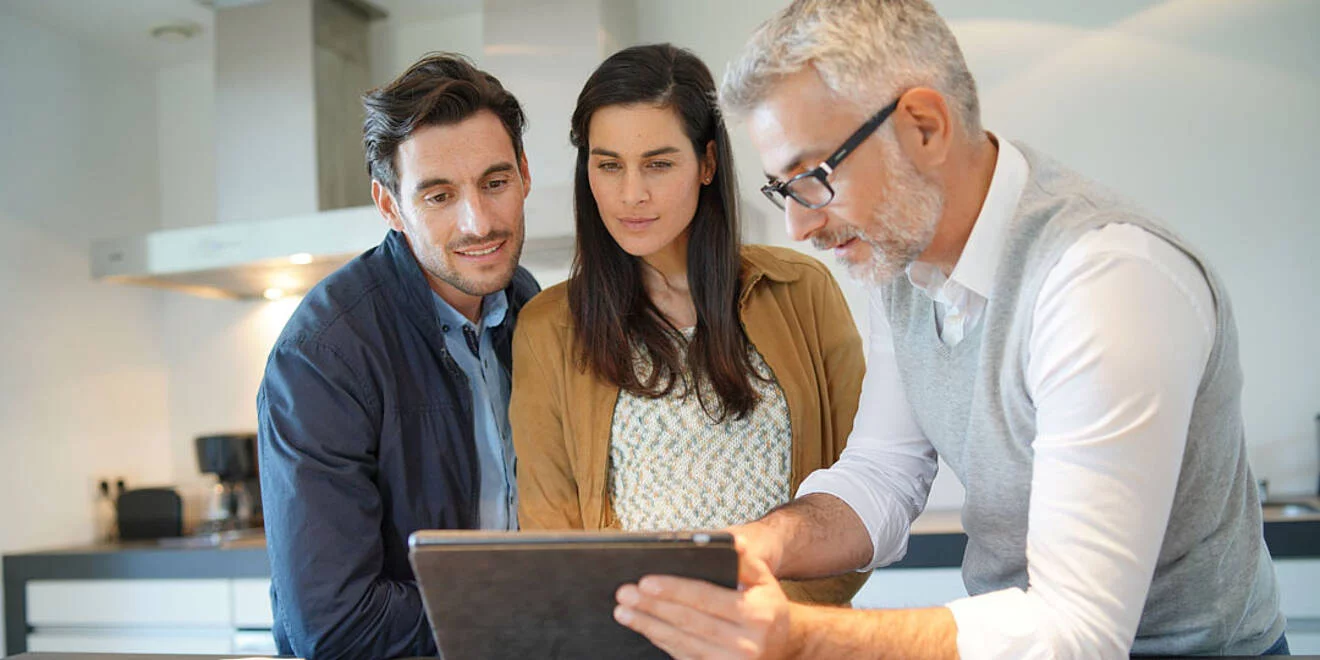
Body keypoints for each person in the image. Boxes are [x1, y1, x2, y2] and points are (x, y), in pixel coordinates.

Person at [612, 1, 1287, 658]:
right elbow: (882, 473)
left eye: (812, 177)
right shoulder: (900, 263)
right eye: (782, 190)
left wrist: (800, 639)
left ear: (925, 127)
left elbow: (1077, 632)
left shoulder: (1103, 279)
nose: (800, 227)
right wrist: (759, 543)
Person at [510, 43, 868, 605]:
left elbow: (862, 496)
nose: (632, 194)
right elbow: (554, 546)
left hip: (788, 640)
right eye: (608, 165)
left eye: (658, 163)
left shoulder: (801, 291)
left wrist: (759, 627)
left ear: (706, 163)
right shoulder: (548, 329)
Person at [257, 53, 539, 659]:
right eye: (438, 195)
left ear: (524, 174)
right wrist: (520, 613)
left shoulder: (530, 309)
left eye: (495, 183)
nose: (479, 221)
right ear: (390, 206)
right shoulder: (322, 355)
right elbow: (334, 625)